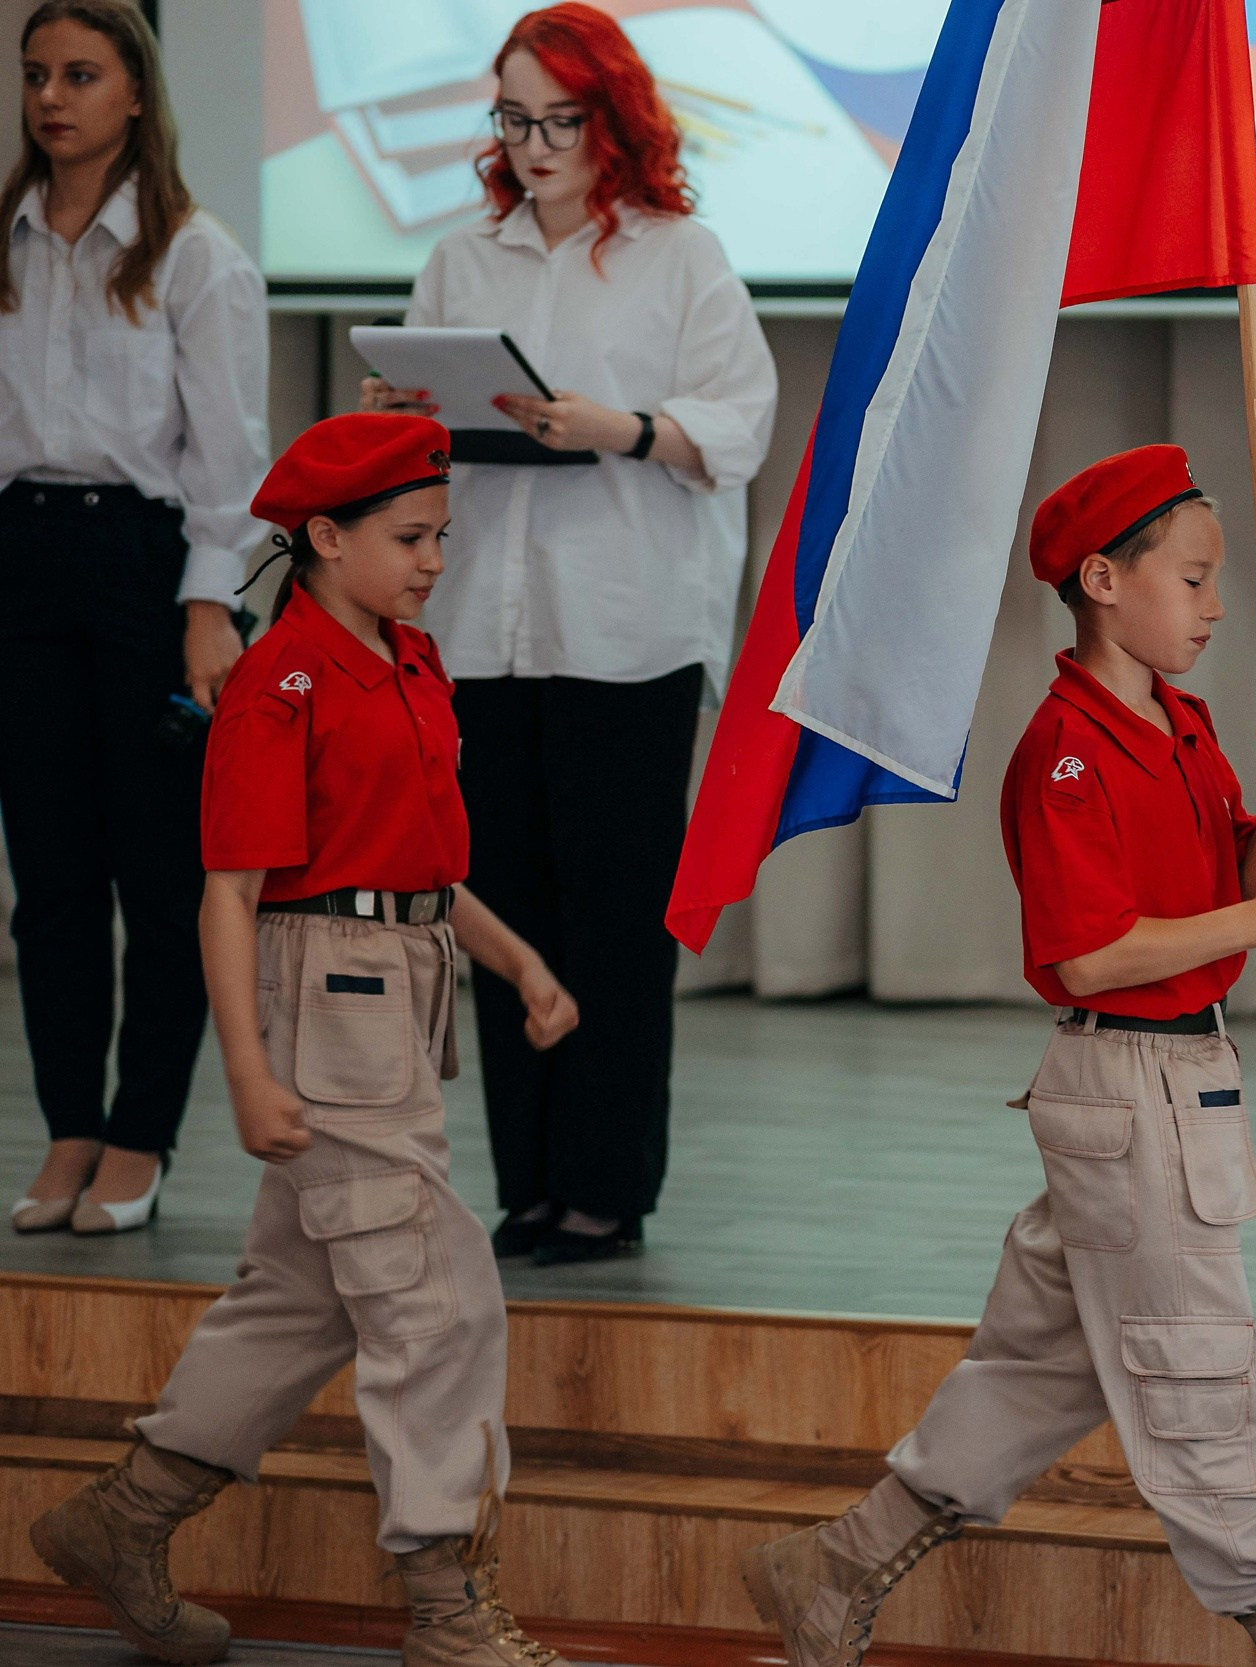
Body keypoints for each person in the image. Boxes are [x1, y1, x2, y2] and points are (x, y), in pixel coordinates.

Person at [737, 446, 1256, 1667]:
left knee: (1037, 1365)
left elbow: (1239, 878)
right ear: (1101, 580)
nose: (1216, 605)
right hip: (1130, 1081)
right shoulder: (1067, 750)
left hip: (1175, 1081)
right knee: (1195, 1372)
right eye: (1190, 579)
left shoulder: (1179, 725)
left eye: (1213, 580)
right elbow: (1090, 955)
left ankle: (834, 1566)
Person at [27, 413, 582, 1667]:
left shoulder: (409, 658)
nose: (435, 558)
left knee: (301, 1293)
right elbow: (229, 893)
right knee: (436, 1303)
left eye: (442, 534)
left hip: (404, 982)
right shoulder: (280, 685)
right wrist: (247, 1067)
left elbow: (424, 864)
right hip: (324, 999)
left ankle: (124, 1519)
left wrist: (518, 960)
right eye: (410, 537)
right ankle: (445, 1603)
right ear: (324, 537)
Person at [362, 3, 774, 1266]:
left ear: (615, 119)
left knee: (611, 921)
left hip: (625, 631)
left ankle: (606, 1187)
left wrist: (625, 428)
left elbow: (741, 421)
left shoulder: (678, 252)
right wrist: (397, 414)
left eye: (560, 120)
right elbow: (421, 439)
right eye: (514, 120)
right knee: (501, 917)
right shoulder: (462, 258)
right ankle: (531, 1180)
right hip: (483, 628)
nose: (535, 145)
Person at [1, 0, 266, 1236]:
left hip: (145, 564)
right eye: (37, 74)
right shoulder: (4, 238)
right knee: (47, 875)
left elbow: (229, 457)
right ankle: (67, 1127)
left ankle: (140, 1132)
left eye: (81, 74)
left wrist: (207, 605)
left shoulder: (191, 253)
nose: (53, 97)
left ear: (137, 95)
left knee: (157, 878)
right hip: (21, 557)